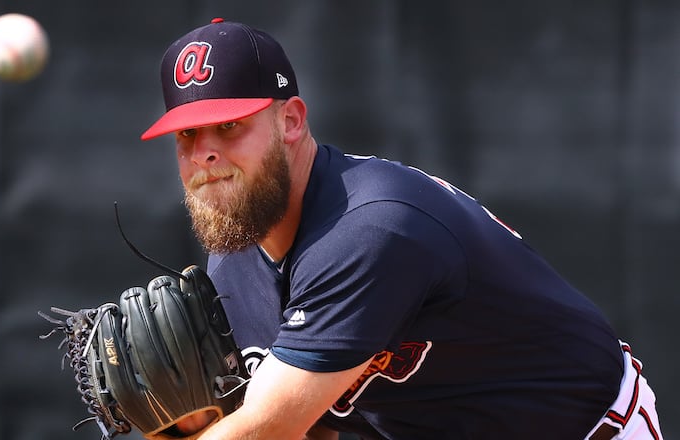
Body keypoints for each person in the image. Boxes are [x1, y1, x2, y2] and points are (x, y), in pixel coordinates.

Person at [139, 18, 664, 440]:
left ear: (291, 121)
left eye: (230, 125)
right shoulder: (231, 265)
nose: (204, 152)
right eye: (185, 134)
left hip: (583, 426)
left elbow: (268, 428)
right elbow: (308, 430)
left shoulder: (367, 229)